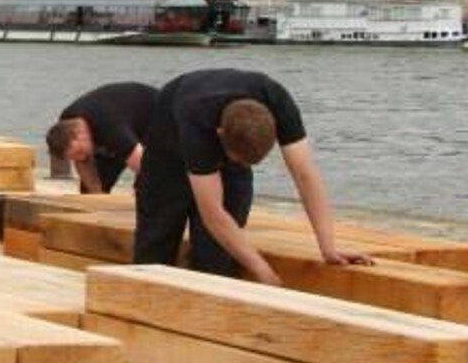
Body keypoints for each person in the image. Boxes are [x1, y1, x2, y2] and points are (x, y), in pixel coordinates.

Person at [134, 67, 372, 285]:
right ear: (219, 135)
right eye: (238, 160)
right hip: (167, 153)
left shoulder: (277, 101)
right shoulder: (197, 119)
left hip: (231, 138)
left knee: (217, 256)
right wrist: (262, 270)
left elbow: (305, 176)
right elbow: (213, 214)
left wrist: (328, 246)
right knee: (157, 243)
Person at [46, 81, 157, 194]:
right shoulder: (66, 121)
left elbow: (146, 166)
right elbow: (83, 162)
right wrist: (95, 195)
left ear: (79, 134)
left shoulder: (109, 128)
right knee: (88, 194)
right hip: (116, 127)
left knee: (146, 190)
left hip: (157, 119)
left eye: (79, 152)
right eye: (74, 157)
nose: (81, 158)